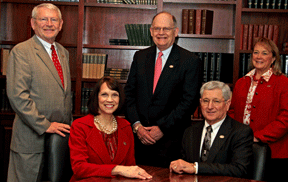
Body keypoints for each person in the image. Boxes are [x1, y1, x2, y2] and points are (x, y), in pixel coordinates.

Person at [124, 11, 202, 167]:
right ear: (151, 31)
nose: (161, 33)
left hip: (172, 142)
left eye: (166, 28)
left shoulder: (190, 61)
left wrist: (162, 128)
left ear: (176, 31)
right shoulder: (140, 57)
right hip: (140, 141)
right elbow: (128, 95)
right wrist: (137, 126)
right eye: (157, 28)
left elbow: (189, 102)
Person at [6, 3, 72, 182]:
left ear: (61, 24)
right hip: (31, 142)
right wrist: (45, 125)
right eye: (43, 19)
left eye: (54, 20)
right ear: (33, 23)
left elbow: (65, 95)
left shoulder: (63, 53)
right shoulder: (21, 52)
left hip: (58, 142)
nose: (49, 24)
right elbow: (17, 97)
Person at [228, 37, 288, 182]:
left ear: (273, 58)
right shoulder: (241, 82)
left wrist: (257, 136)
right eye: (256, 52)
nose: (259, 57)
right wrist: (238, 136)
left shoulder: (285, 84)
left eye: (264, 53)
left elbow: (287, 118)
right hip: (241, 151)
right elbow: (232, 111)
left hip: (274, 153)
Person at [69, 77, 152, 181]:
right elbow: (79, 168)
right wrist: (117, 169)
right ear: (96, 97)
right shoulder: (80, 126)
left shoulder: (126, 126)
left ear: (119, 99)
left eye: (114, 95)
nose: (110, 100)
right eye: (104, 94)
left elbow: (130, 167)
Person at [170, 81, 253, 178]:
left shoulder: (240, 132)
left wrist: (196, 168)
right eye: (205, 101)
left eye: (216, 101)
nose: (210, 107)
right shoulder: (190, 132)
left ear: (227, 104)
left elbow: (239, 169)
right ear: (200, 103)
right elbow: (184, 165)